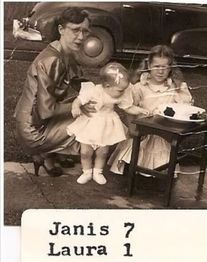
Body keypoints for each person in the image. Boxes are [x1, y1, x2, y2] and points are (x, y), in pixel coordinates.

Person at [14, 7, 96, 177]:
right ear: (61, 29)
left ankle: (49, 155)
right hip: (33, 129)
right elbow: (46, 111)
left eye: (85, 31)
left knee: (85, 104)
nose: (81, 37)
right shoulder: (52, 60)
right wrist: (78, 107)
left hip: (37, 120)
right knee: (92, 120)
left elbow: (78, 82)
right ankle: (44, 152)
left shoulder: (65, 52)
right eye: (75, 30)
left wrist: (103, 90)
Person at [108, 45, 193, 176]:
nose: (160, 71)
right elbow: (130, 109)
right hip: (142, 131)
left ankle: (156, 170)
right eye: (157, 66)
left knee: (162, 161)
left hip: (164, 133)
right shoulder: (140, 87)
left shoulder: (175, 87)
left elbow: (185, 108)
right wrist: (132, 129)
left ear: (170, 68)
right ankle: (133, 168)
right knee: (133, 156)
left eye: (165, 67)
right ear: (149, 65)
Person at [67, 62, 150, 185]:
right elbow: (79, 100)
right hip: (90, 123)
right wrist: (75, 107)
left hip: (107, 123)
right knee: (85, 151)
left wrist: (141, 110)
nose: (122, 93)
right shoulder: (94, 91)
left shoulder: (118, 95)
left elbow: (127, 107)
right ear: (106, 85)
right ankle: (86, 172)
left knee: (103, 151)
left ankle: (98, 171)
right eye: (120, 90)